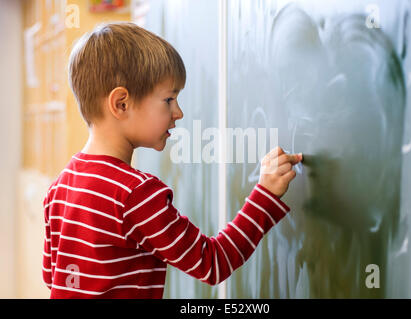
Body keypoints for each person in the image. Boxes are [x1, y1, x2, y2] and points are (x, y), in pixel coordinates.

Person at [42, 22, 302, 298]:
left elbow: (53, 276)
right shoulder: (135, 194)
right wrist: (265, 195)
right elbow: (212, 263)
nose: (178, 112)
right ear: (121, 104)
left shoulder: (60, 188)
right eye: (169, 99)